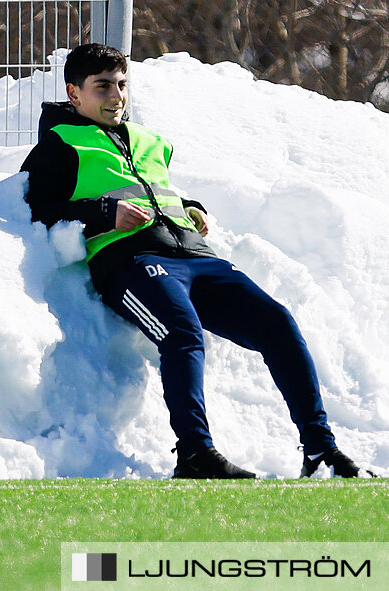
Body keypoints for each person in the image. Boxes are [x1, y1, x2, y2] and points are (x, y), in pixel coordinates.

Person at [21, 42, 366, 480]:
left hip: (195, 256)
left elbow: (146, 188)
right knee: (182, 331)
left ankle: (320, 448)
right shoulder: (58, 144)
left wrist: (190, 206)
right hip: (131, 261)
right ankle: (195, 454)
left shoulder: (148, 140)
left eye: (122, 85)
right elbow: (35, 206)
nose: (116, 96)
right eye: (103, 86)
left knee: (278, 322)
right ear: (74, 93)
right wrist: (104, 215)